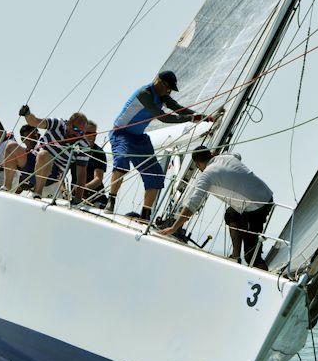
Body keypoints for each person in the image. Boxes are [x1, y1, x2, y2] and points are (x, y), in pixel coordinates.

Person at [106, 70, 211, 219]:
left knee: (156, 174)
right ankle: (111, 201)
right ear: (159, 82)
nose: (168, 91)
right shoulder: (145, 94)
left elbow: (178, 108)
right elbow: (164, 118)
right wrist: (191, 118)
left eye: (170, 90)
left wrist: (201, 116)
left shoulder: (163, 96)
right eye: (167, 87)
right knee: (122, 160)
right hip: (122, 133)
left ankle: (146, 214)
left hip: (139, 138)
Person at [159, 146, 274, 270]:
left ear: (198, 164)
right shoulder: (227, 158)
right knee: (231, 214)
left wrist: (174, 227)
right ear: (211, 155)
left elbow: (192, 205)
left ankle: (260, 270)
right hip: (264, 195)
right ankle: (235, 256)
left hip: (257, 206)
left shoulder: (207, 175)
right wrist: (216, 155)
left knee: (251, 256)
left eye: (198, 167)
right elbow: (237, 155)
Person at [19, 105, 89, 201]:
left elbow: (81, 175)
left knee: (44, 155)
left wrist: (78, 199)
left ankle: (37, 194)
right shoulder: (57, 124)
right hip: (34, 162)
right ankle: (6, 187)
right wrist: (27, 114)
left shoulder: (83, 145)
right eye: (76, 129)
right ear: (69, 123)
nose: (77, 135)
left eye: (82, 133)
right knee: (12, 147)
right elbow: (35, 121)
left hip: (51, 175)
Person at [71, 120, 108, 207]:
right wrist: (63, 190)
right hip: (74, 196)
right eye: (88, 134)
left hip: (95, 198)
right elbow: (61, 172)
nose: (92, 137)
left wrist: (83, 187)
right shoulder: (74, 149)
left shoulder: (99, 152)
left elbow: (98, 179)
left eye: (94, 134)